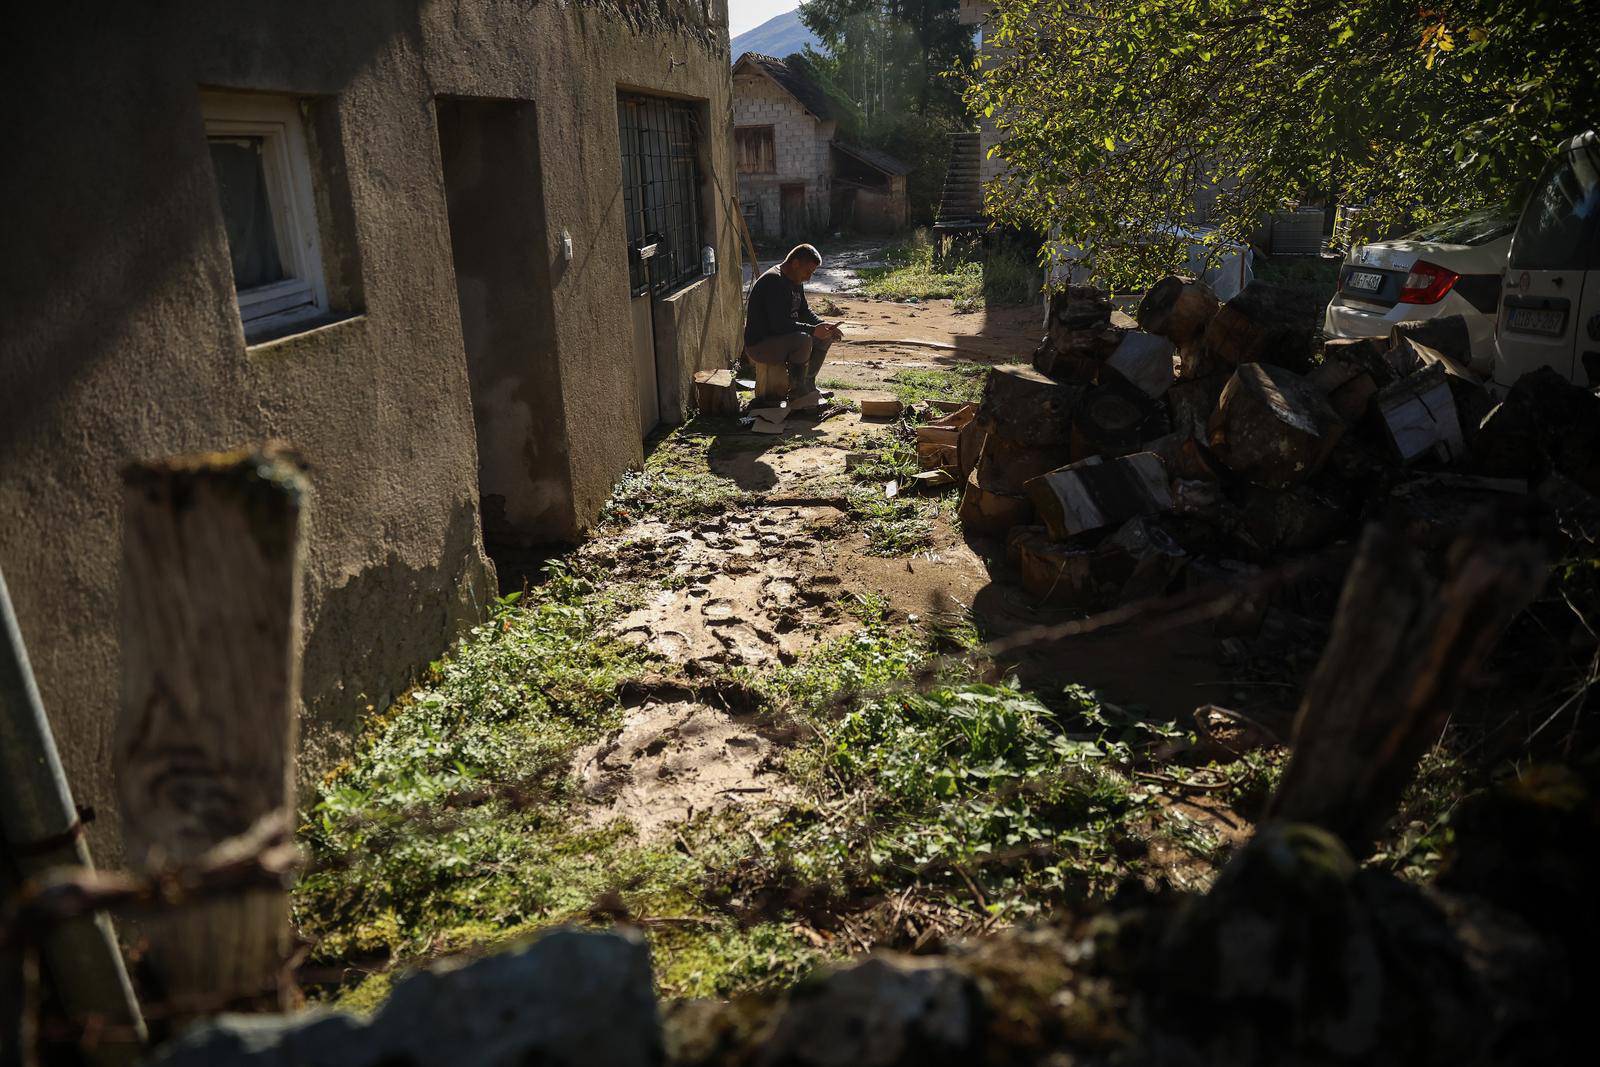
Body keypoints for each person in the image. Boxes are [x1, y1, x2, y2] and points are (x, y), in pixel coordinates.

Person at [743, 244, 842, 400]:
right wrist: (813, 330)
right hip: (760, 345)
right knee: (804, 339)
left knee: (825, 336)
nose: (809, 277)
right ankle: (797, 391)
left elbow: (804, 311)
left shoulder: (795, 279)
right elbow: (779, 325)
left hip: (782, 338)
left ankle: (808, 385)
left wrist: (824, 326)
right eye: (807, 271)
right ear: (795, 264)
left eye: (812, 273)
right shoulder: (774, 281)